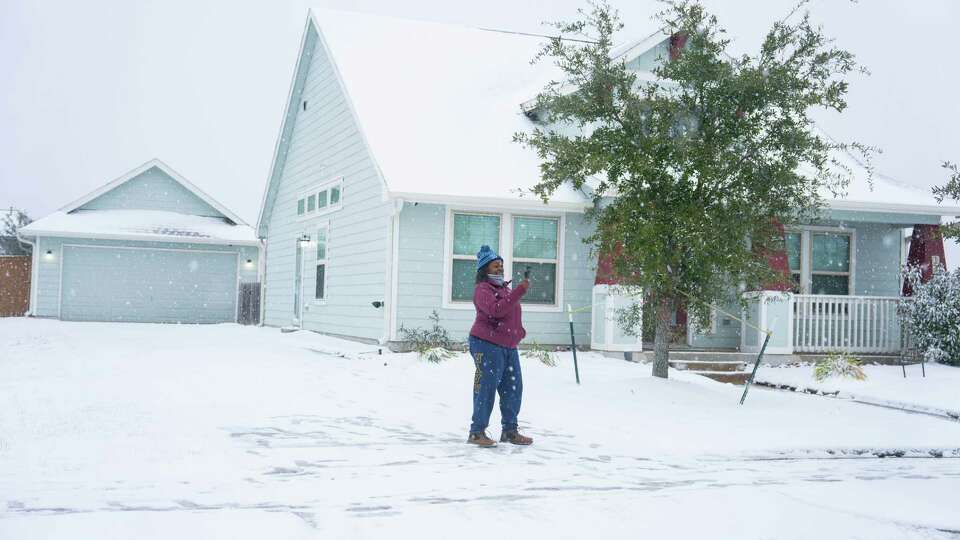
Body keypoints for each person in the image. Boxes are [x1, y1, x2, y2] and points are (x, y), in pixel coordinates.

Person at [466, 245, 534, 447]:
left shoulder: (505, 289)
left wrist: (518, 331)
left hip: (508, 346)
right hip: (486, 344)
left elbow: (511, 311)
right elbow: (496, 310)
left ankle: (510, 431)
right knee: (486, 387)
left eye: (501, 265)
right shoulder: (483, 290)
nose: (500, 269)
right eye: (495, 266)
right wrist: (520, 290)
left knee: (513, 388)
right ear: (485, 269)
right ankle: (476, 431)